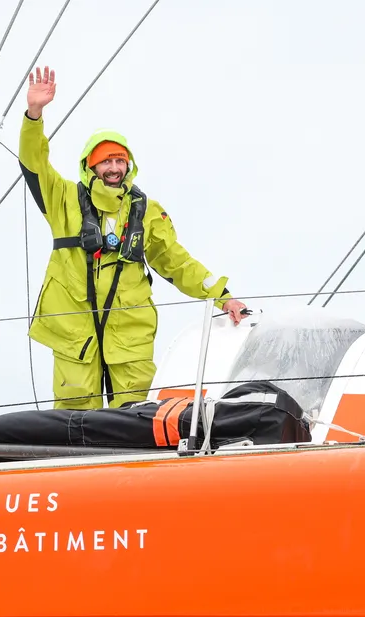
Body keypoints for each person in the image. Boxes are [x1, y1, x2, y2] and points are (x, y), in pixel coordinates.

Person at [20, 65, 249, 410]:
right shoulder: (62, 199)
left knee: (135, 419)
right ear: (90, 166)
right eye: (105, 161)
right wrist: (34, 115)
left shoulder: (147, 210)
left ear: (129, 166)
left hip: (129, 335)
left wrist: (224, 296)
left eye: (119, 160)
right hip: (74, 334)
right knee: (71, 421)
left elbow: (178, 263)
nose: (113, 168)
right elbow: (34, 162)